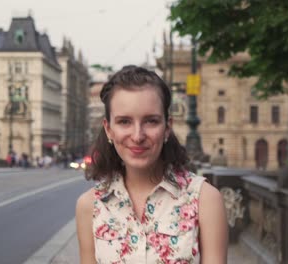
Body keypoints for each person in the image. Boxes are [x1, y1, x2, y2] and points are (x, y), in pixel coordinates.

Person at [76, 66, 228, 264]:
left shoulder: (204, 200)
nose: (138, 136)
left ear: (167, 128)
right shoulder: (90, 206)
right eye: (124, 122)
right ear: (108, 129)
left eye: (151, 121)